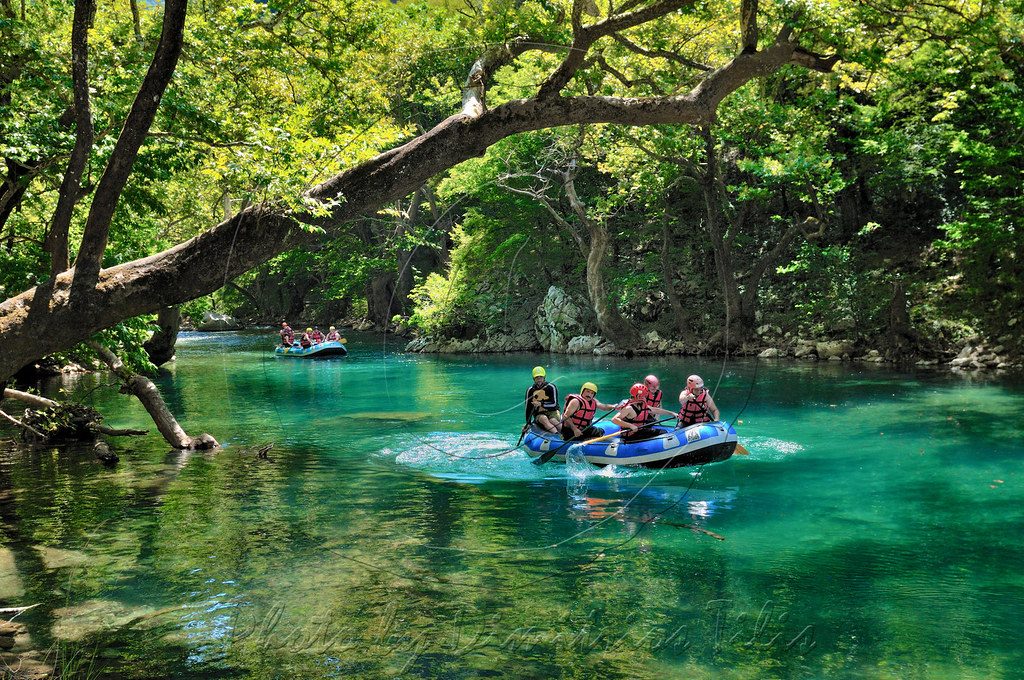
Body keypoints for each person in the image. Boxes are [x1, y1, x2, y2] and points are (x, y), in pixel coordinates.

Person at [523, 366, 560, 434]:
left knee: (553, 420)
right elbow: (528, 408)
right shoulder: (530, 390)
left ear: (544, 377)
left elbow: (554, 404)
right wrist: (528, 423)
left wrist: (541, 404)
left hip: (553, 411)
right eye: (537, 378)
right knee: (544, 419)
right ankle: (557, 435)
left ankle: (566, 433)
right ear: (534, 379)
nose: (539, 379)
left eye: (541, 377)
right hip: (539, 414)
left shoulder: (551, 387)